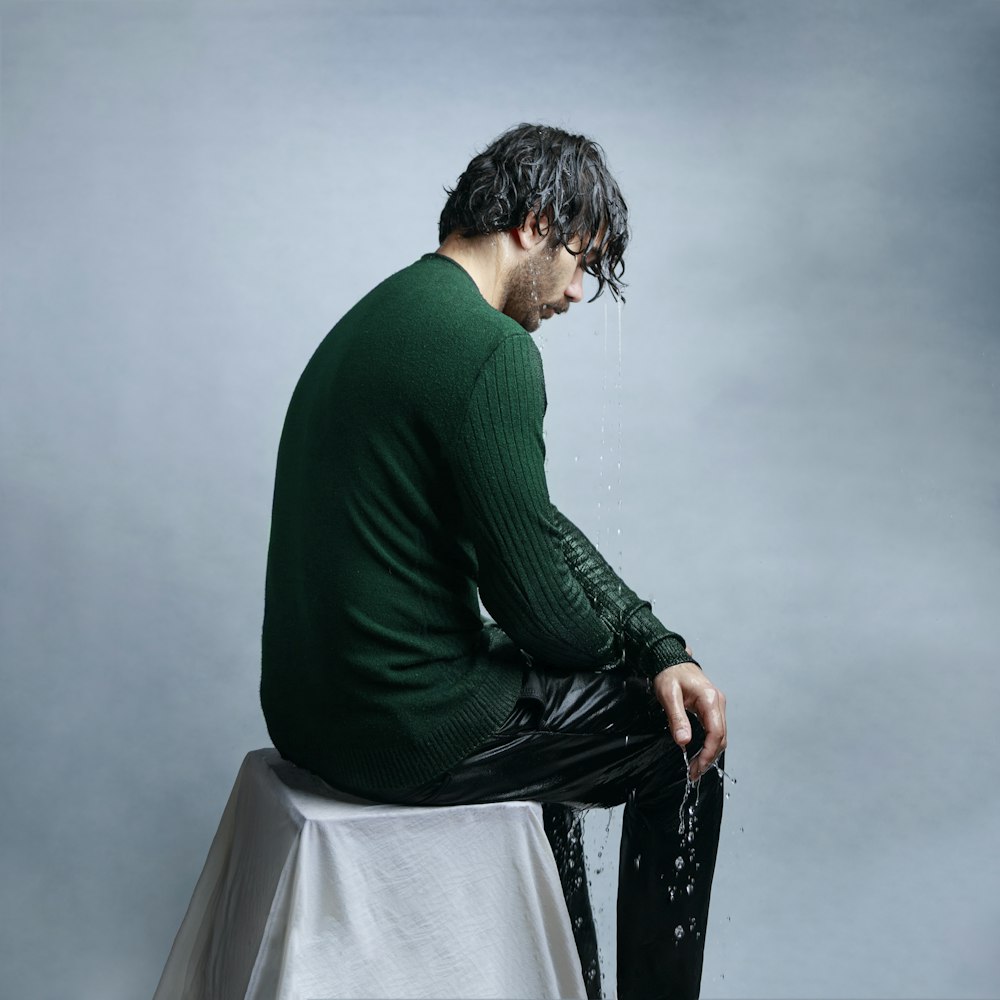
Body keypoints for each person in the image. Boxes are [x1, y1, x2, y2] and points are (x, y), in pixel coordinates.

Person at [260, 123, 727, 1000]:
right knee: (682, 739)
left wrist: (655, 640)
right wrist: (647, 662)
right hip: (399, 731)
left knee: (548, 705)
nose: (577, 293)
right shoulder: (490, 351)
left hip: (315, 714)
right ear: (533, 223)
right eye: (578, 260)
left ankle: (566, 981)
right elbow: (540, 610)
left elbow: (532, 523)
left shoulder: (383, 313)